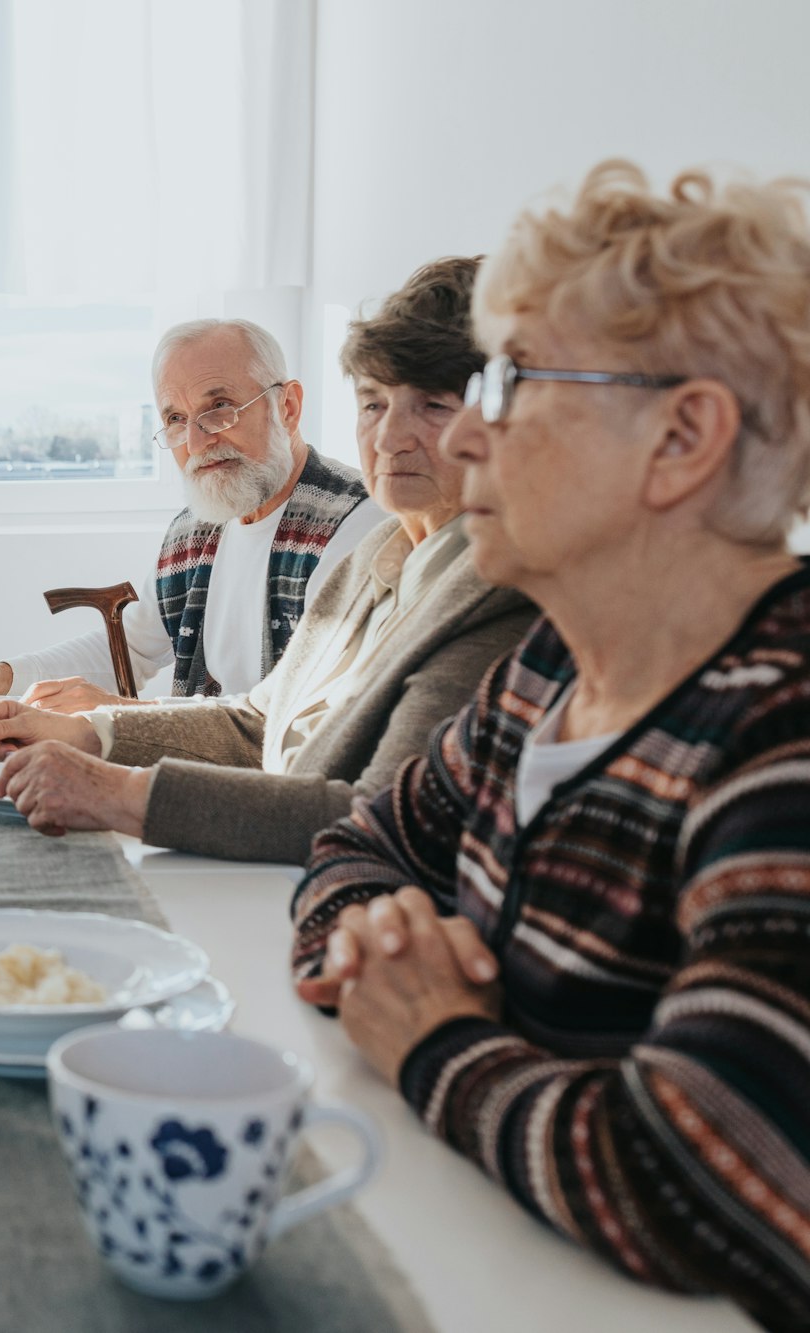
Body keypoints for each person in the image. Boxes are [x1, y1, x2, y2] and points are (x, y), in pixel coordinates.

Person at [292, 162, 810, 1326]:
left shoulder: (781, 730)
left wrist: (429, 1037)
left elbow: (692, 1182)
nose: (462, 436)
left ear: (679, 437)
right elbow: (357, 844)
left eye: (512, 382)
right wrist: (381, 933)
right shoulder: (551, 670)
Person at [0, 259, 538, 864]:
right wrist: (89, 732)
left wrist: (119, 793)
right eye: (372, 403)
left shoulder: (483, 587)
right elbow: (260, 718)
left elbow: (380, 815)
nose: (389, 437)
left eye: (432, 405)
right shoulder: (382, 552)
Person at [0, 318, 383, 705]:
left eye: (219, 407)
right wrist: (2, 677)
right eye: (176, 420)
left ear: (288, 407)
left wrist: (121, 718)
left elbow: (304, 712)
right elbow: (132, 649)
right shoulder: (196, 531)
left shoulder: (358, 525)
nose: (199, 442)